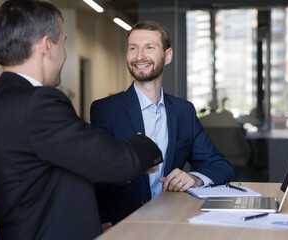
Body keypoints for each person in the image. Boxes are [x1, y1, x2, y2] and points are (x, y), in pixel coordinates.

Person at [0, 2, 163, 240]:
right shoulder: (38, 104)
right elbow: (116, 162)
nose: (64, 53)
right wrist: (146, 145)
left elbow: (29, 186)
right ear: (47, 46)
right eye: (63, 42)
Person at [90, 20, 234, 225]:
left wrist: (195, 178)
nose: (139, 56)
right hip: (122, 225)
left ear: (168, 56)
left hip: (171, 221)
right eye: (133, 48)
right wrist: (130, 164)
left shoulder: (184, 111)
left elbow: (220, 166)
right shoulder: (105, 110)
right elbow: (95, 175)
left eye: (149, 47)